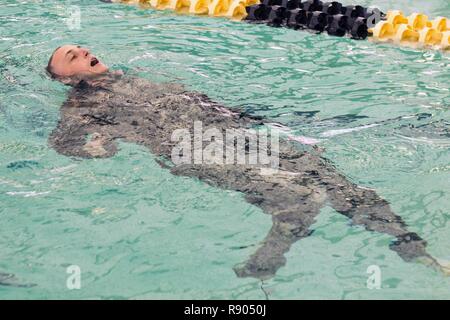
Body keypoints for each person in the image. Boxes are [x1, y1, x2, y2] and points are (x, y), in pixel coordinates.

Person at [46, 45, 449, 279]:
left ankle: (414, 248)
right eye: (71, 56)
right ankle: (268, 257)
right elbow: (62, 143)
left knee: (340, 184)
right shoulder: (81, 102)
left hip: (236, 136)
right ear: (66, 78)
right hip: (192, 150)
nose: (82, 51)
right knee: (300, 197)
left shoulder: (138, 77)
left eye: (80, 47)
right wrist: (97, 148)